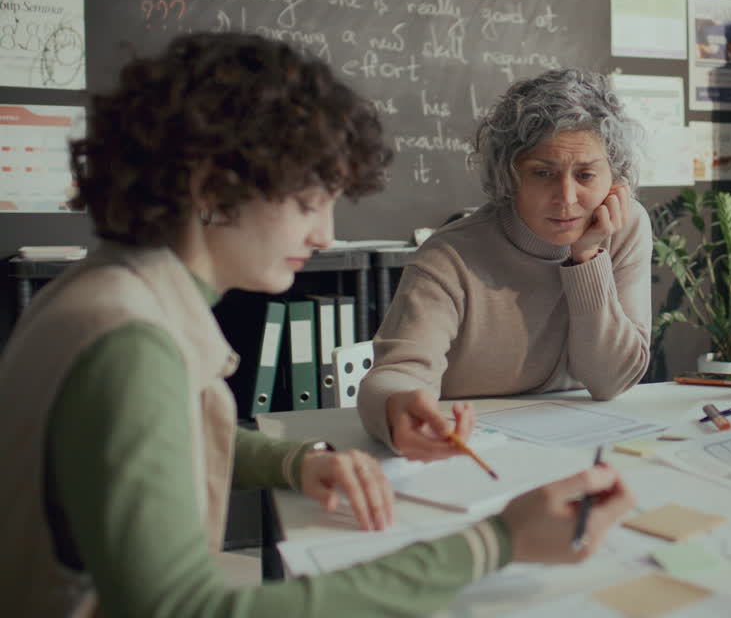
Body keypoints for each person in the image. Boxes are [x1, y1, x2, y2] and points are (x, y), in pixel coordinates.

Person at [0, 33, 635, 617]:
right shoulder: (132, 346)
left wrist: (293, 461)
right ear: (210, 187)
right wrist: (495, 542)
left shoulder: (106, 289)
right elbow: (187, 610)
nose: (325, 234)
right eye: (308, 203)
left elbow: (158, 434)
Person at [358, 68, 652, 460]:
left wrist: (586, 258)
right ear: (509, 176)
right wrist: (400, 410)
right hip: (468, 451)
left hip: (577, 450)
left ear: (616, 178)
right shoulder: (448, 257)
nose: (566, 197)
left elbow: (609, 380)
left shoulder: (625, 227)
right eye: (542, 173)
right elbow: (395, 375)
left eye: (585, 175)